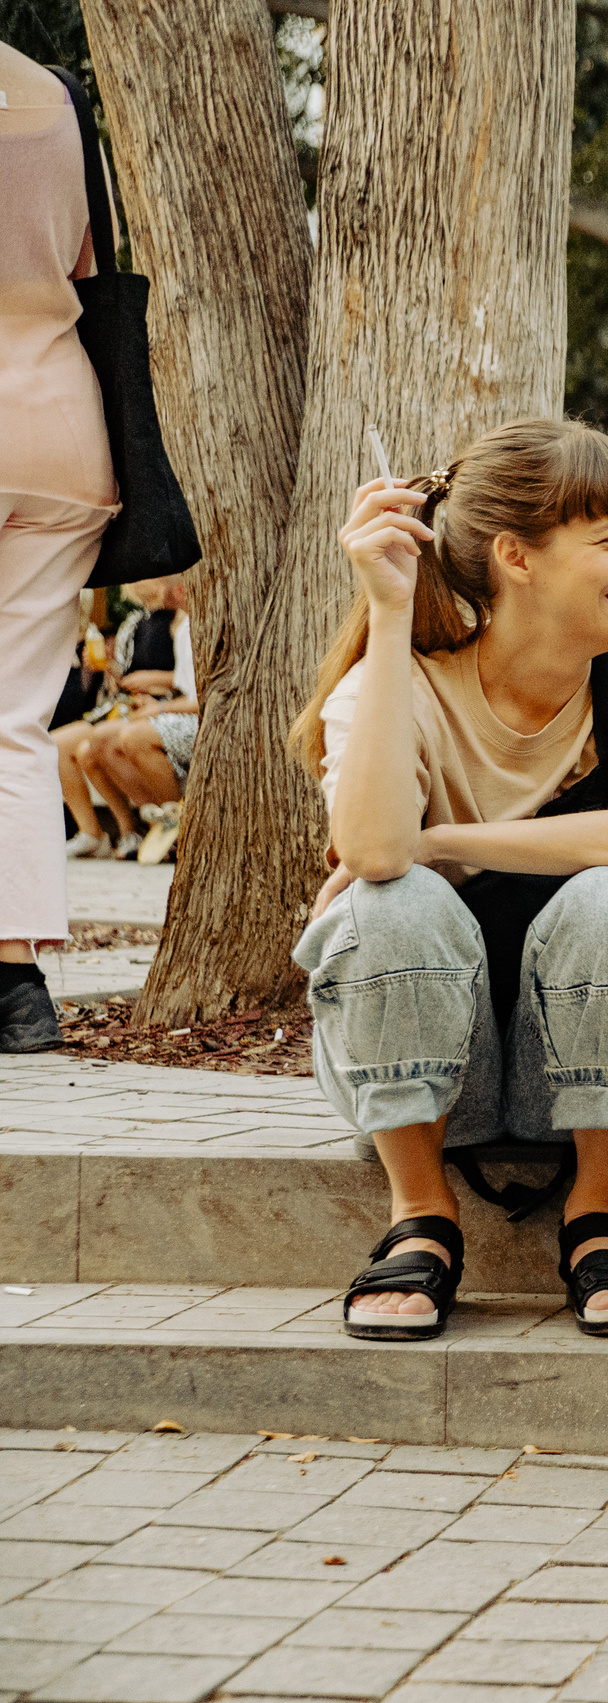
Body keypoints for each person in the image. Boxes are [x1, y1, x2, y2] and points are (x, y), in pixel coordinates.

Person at [290, 418, 608, 1344]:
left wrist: (443, 835)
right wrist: (392, 608)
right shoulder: (391, 687)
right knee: (391, 897)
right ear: (515, 556)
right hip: (423, 1078)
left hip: (593, 1075)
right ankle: (421, 1216)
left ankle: (601, 1211)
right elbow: (372, 853)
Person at [0, 43, 117, 1054]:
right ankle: (16, 981)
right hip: (62, 429)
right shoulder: (53, 94)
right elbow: (85, 257)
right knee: (18, 719)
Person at [57, 576, 182, 858]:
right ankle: (96, 832)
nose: (139, 582)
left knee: (93, 749)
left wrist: (157, 680)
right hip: (126, 706)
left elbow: (189, 676)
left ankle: (143, 829)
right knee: (59, 745)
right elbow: (123, 679)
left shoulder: (179, 621)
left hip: (163, 705)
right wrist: (107, 669)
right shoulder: (134, 622)